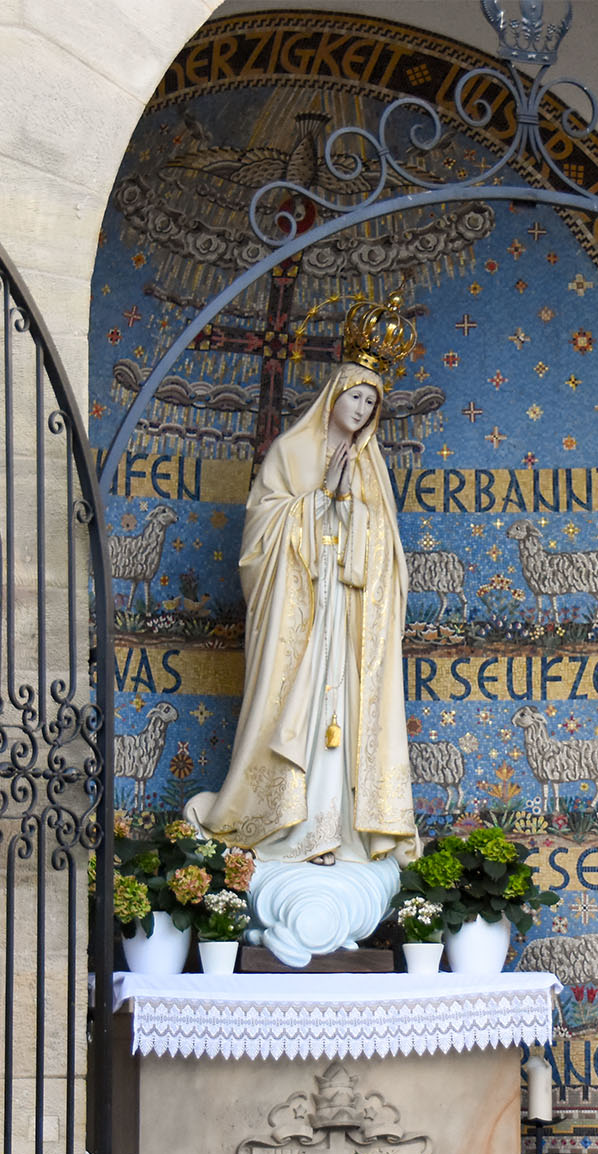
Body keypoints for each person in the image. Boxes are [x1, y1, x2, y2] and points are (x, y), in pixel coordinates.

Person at [187, 296, 420, 867]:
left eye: (372, 402)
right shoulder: (291, 450)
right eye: (356, 396)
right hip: (302, 610)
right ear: (334, 396)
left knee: (347, 715)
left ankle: (339, 827)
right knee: (302, 708)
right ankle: (295, 828)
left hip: (350, 612)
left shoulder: (372, 466)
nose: (363, 409)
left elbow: (387, 549)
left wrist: (351, 507)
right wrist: (320, 501)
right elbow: (262, 532)